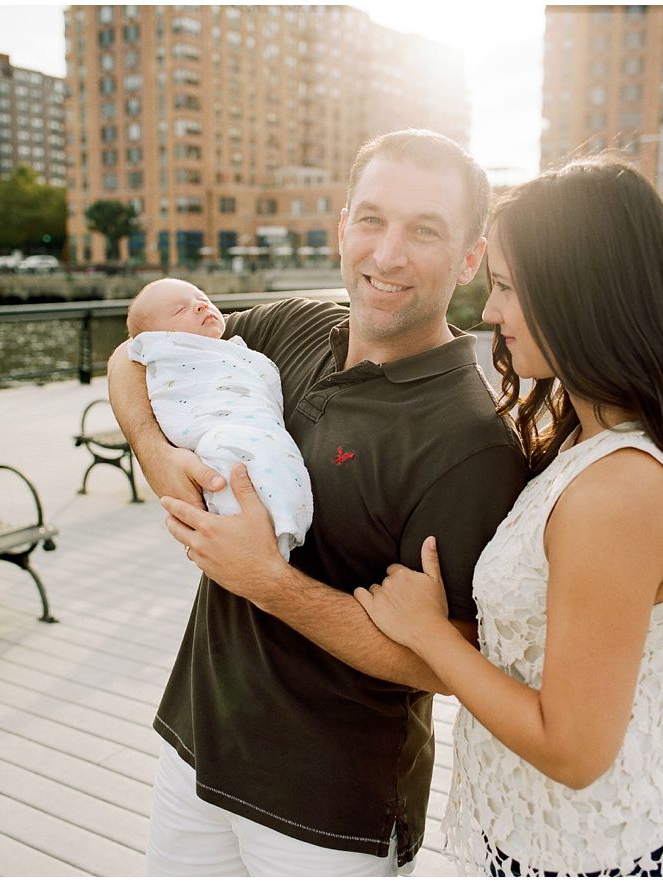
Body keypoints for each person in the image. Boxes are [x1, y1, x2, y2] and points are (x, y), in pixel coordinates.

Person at [107, 128, 528, 875]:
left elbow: (453, 659)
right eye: (372, 219)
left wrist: (268, 581)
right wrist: (159, 456)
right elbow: (134, 354)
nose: (387, 254)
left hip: (330, 813)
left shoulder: (472, 439)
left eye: (424, 231)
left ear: (471, 258)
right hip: (195, 747)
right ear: (342, 226)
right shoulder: (290, 326)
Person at [353, 158, 663, 876]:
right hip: (538, 843)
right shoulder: (587, 441)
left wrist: (430, 635)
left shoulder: (618, 493)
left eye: (507, 287)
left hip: (589, 859)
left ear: (579, 293)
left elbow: (573, 751)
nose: (489, 312)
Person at [125, 276, 312, 559]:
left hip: (255, 428)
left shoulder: (231, 348)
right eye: (180, 309)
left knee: (271, 453)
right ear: (158, 338)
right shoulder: (169, 356)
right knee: (224, 450)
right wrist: (156, 454)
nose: (201, 306)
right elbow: (126, 356)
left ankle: (278, 526)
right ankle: (249, 530)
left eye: (202, 298)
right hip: (217, 434)